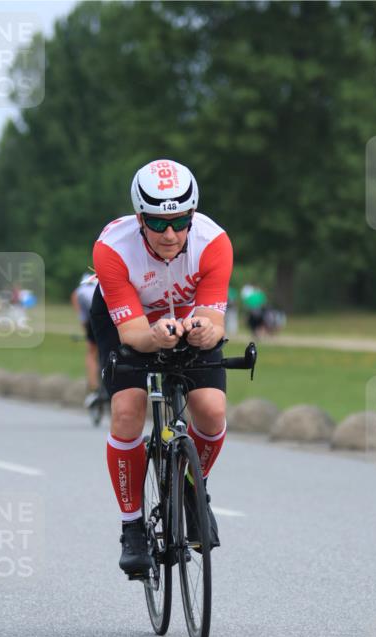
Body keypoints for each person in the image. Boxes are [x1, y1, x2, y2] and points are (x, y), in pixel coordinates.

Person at [91, 159, 233, 577]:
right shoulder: (112, 248)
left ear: (192, 215)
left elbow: (215, 318)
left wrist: (205, 331)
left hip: (185, 318)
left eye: (180, 221)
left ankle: (192, 489)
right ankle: (132, 526)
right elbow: (134, 333)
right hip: (130, 322)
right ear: (139, 218)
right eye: (157, 222)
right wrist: (155, 337)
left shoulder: (213, 242)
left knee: (211, 409)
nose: (170, 234)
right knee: (127, 410)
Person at [71, 271, 100, 406]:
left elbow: (83, 319)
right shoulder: (103, 284)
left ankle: (94, 388)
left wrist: (86, 333)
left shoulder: (79, 292)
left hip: (94, 319)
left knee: (92, 352)